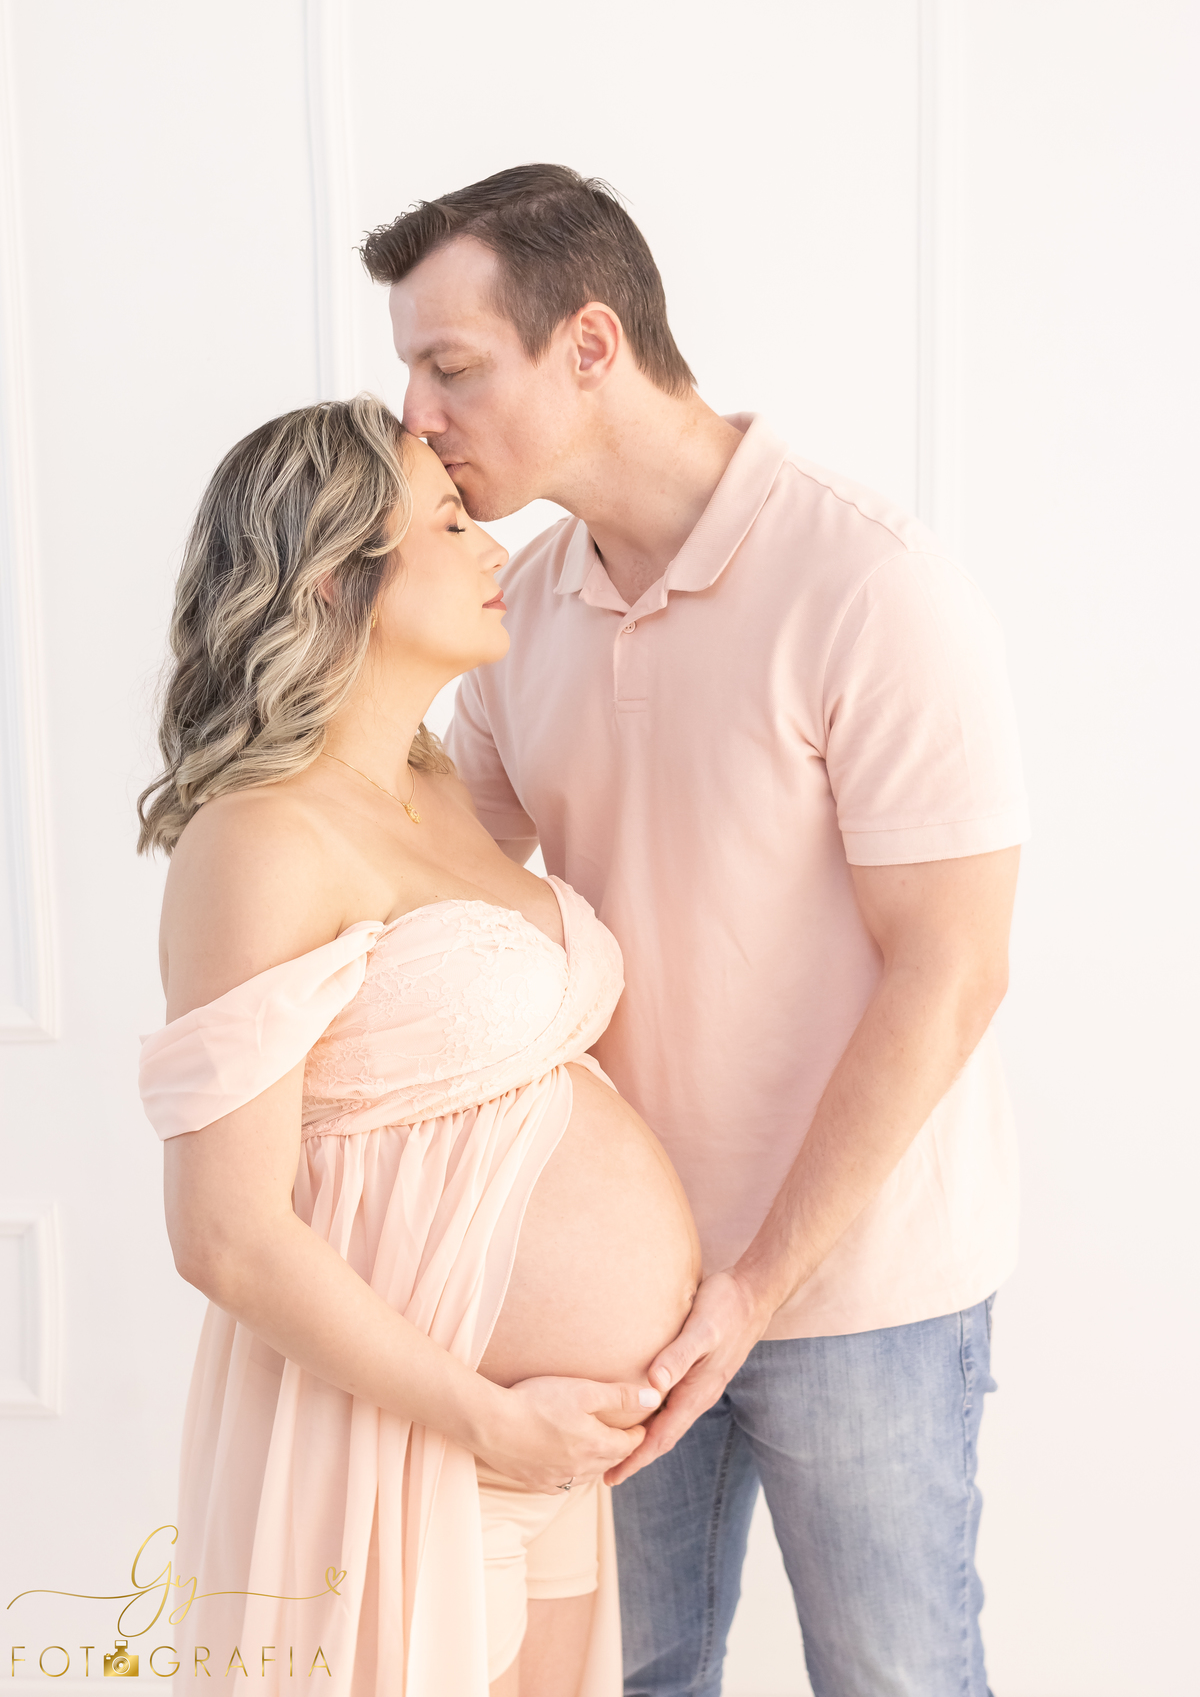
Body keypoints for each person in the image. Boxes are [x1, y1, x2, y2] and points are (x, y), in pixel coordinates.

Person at [361, 163, 1029, 1697]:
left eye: (451, 368)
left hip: (861, 1295)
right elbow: (436, 873)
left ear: (590, 345)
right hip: (613, 1311)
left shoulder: (873, 584)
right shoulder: (512, 604)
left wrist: (755, 1289)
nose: (419, 418)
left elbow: (955, 967)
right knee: (626, 1680)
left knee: (899, 1678)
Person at [136, 394, 701, 1697]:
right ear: (341, 576)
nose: (496, 544)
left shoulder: (438, 782)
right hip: (418, 1433)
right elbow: (222, 1233)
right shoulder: (259, 838)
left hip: (541, 1451)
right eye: (449, 520)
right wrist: (496, 1417)